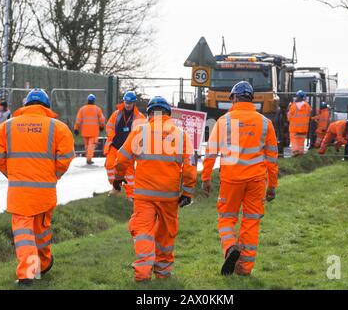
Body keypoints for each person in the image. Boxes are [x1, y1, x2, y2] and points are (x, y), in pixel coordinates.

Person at [0, 89, 75, 286]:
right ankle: (43, 265)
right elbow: (66, 156)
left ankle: (29, 273)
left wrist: (10, 174)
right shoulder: (58, 127)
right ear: (46, 107)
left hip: (19, 192)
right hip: (45, 191)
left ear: (26, 104)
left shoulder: (6, 127)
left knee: (24, 234)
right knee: (42, 231)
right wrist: (54, 175)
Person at [114, 96, 197, 282]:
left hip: (144, 196)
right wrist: (187, 192)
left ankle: (142, 274)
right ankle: (163, 274)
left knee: (143, 231)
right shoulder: (181, 134)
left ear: (150, 112)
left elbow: (121, 159)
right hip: (169, 196)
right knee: (166, 235)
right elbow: (190, 167)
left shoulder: (139, 132)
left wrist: (118, 179)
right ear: (168, 113)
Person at [202, 81, 279, 277]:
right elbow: (272, 158)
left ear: (234, 98)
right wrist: (272, 186)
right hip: (256, 181)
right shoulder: (265, 123)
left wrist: (206, 178)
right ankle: (244, 269)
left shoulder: (224, 121)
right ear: (251, 99)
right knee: (251, 222)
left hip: (231, 179)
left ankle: (230, 248)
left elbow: (210, 152)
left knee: (226, 218)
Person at [105, 91, 145, 201]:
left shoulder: (139, 117)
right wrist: (112, 137)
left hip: (129, 149)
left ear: (134, 103)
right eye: (126, 102)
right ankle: (115, 187)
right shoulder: (116, 114)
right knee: (109, 165)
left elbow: (142, 134)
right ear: (124, 101)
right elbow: (109, 127)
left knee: (129, 172)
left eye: (130, 103)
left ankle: (131, 194)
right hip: (115, 146)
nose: (128, 105)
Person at [74, 94, 106, 164]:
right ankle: (89, 159)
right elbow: (102, 119)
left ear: (87, 100)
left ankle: (88, 157)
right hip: (94, 132)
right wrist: (102, 126)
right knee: (91, 146)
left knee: (86, 146)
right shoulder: (97, 109)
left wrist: (76, 128)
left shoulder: (82, 109)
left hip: (85, 131)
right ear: (94, 101)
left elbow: (78, 120)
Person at [287, 90, 312, 156]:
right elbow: (310, 114)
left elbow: (289, 117)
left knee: (294, 140)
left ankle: (295, 151)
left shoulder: (293, 106)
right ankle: (301, 153)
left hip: (294, 128)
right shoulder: (307, 106)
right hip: (303, 128)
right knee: (301, 141)